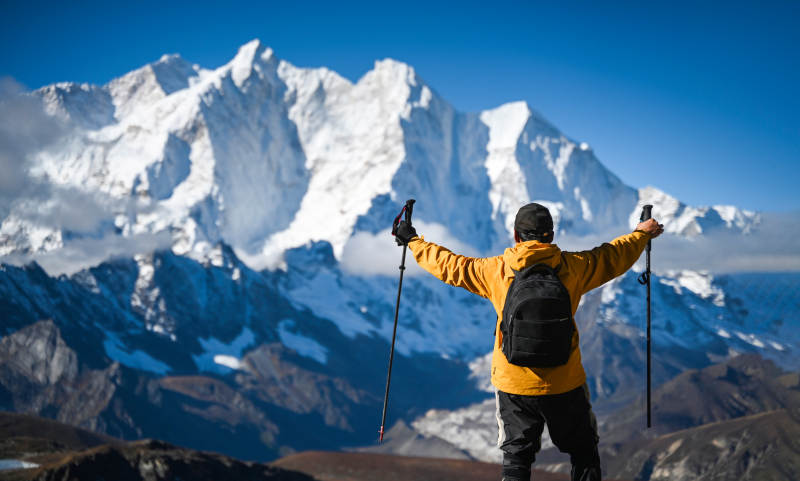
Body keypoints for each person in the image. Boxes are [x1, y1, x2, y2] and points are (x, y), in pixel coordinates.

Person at [394, 202, 664, 481]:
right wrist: (641, 234)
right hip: (565, 381)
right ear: (551, 235)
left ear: (516, 235)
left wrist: (413, 241)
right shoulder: (576, 266)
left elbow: (449, 265)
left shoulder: (494, 271)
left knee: (516, 458)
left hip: (513, 383)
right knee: (584, 452)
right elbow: (613, 255)